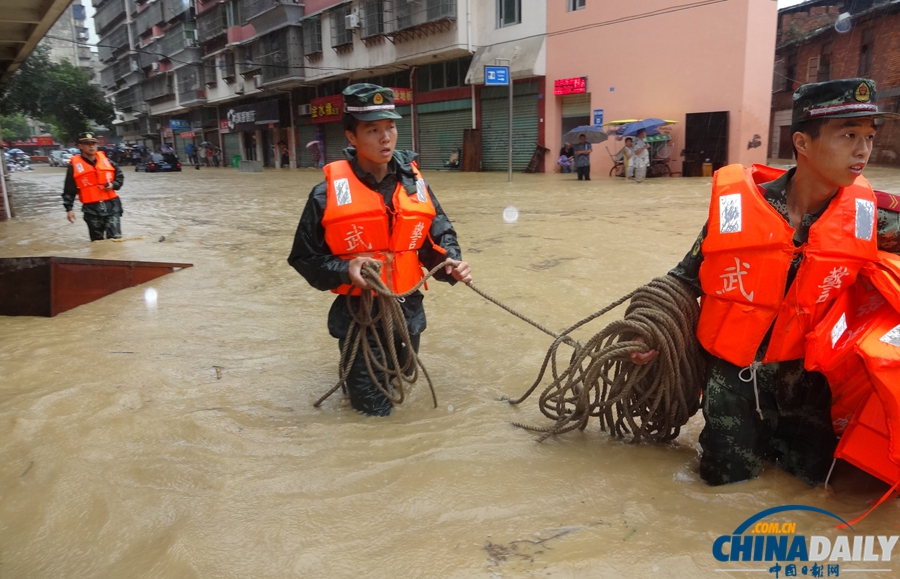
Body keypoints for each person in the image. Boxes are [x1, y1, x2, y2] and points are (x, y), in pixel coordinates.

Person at [631, 78, 900, 487]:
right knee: (724, 487)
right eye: (848, 135)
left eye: (868, 136)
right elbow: (686, 278)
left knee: (811, 489)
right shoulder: (740, 209)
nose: (863, 150)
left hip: (808, 386)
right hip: (732, 383)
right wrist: (654, 334)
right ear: (802, 143)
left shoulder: (871, 217)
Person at [288, 83, 471, 417]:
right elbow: (304, 257)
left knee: (403, 379)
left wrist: (450, 264)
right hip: (360, 316)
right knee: (373, 412)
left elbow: (436, 235)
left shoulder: (416, 185)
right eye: (373, 130)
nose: (385, 138)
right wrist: (344, 270)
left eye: (390, 127)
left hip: (408, 310)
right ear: (352, 138)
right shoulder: (326, 194)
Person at [62, 132, 125, 241]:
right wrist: (69, 209)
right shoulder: (74, 166)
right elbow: (69, 189)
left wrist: (113, 185)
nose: (91, 146)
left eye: (93, 143)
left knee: (116, 239)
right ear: (80, 146)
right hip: (92, 210)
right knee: (97, 242)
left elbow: (120, 178)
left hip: (112, 207)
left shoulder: (108, 162)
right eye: (87, 144)